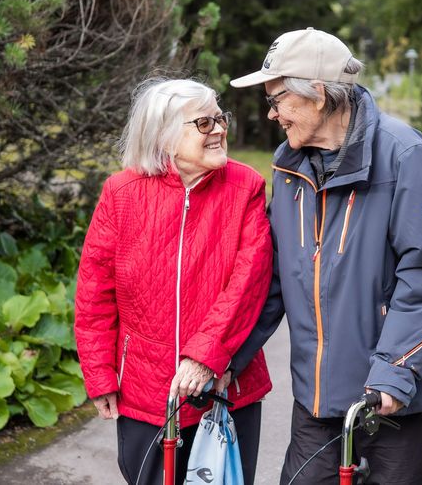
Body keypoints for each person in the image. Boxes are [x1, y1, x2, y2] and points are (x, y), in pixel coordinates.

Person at [229, 28, 422, 485]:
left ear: (318, 95)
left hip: (398, 397)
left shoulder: (404, 154)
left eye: (277, 99)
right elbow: (273, 282)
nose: (272, 115)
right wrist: (224, 357)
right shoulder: (290, 167)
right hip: (320, 397)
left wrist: (394, 373)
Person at [74, 77, 273, 485]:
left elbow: (249, 279)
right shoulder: (121, 193)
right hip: (143, 391)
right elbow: (95, 294)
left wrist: (206, 354)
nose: (218, 129)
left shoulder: (246, 187)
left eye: (220, 118)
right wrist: (99, 374)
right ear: (164, 135)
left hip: (224, 388)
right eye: (204, 123)